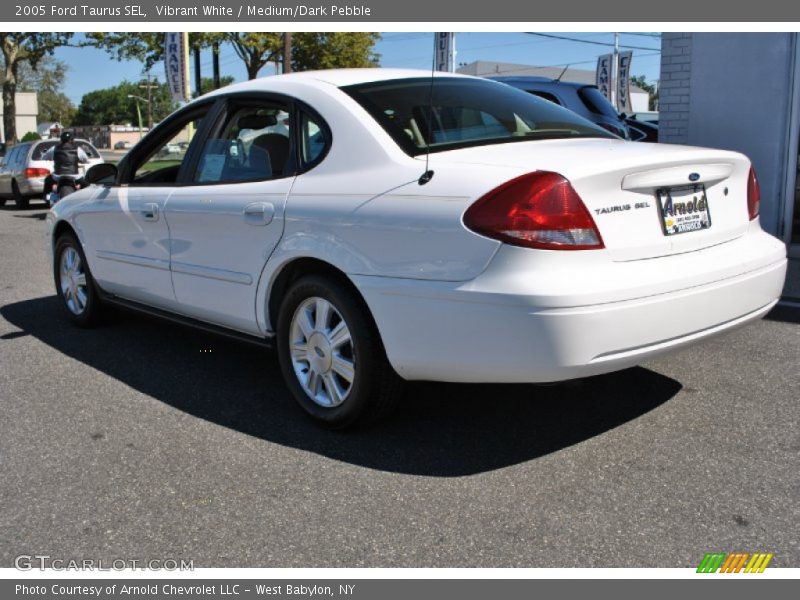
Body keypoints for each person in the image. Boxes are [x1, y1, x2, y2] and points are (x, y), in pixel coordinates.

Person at [43, 131, 89, 200]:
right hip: (74, 176)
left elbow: (44, 157)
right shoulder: (77, 149)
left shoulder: (54, 149)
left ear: (61, 140)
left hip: (57, 177)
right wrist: (83, 161)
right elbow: (86, 159)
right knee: (87, 183)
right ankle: (86, 199)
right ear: (72, 140)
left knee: (47, 180)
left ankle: (46, 197)